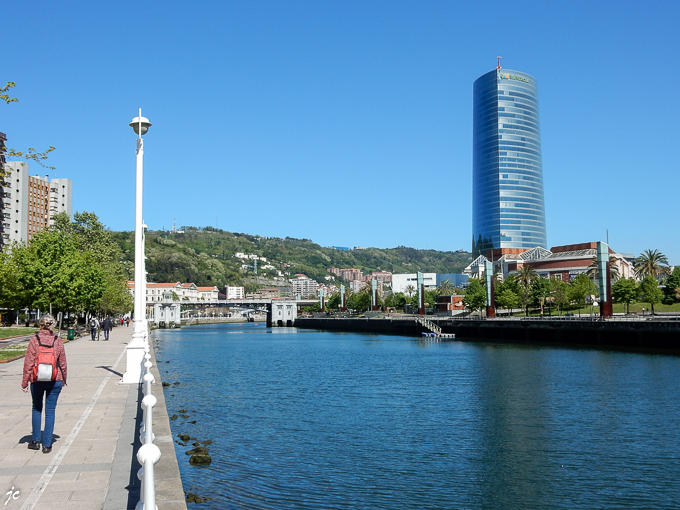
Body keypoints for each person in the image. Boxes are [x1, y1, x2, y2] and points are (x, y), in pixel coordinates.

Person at [22, 314, 67, 454]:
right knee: (50, 411)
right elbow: (63, 362)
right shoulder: (58, 340)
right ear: (52, 325)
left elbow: (29, 363)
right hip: (55, 379)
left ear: (40, 325)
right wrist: (64, 378)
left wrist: (25, 382)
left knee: (36, 408)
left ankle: (35, 441)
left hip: (37, 379)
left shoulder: (34, 340)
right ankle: (47, 445)